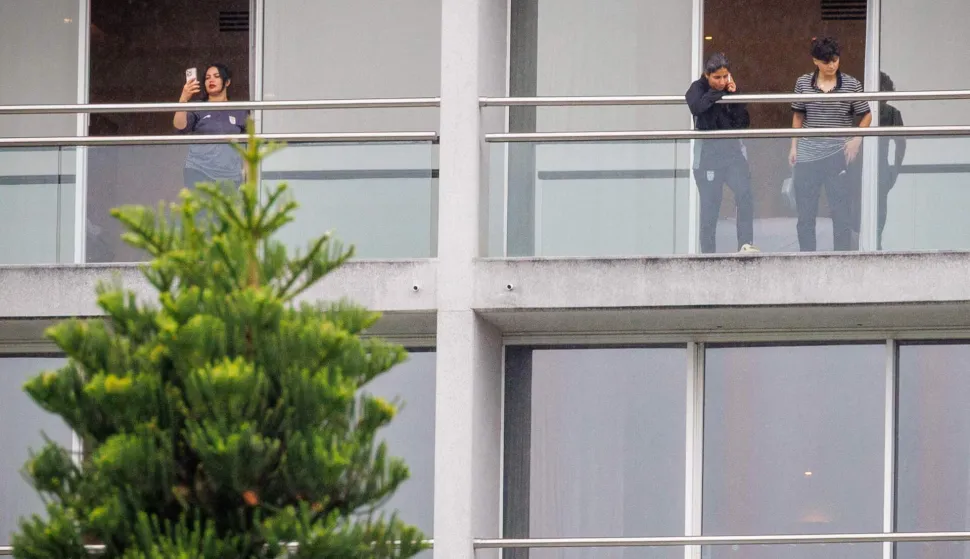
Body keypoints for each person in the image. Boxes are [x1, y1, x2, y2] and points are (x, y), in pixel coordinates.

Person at [789, 36, 872, 251]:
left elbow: (866, 115)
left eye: (835, 60)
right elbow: (798, 116)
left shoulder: (852, 84)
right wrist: (793, 146)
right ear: (815, 61)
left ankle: (841, 262)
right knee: (806, 213)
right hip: (808, 156)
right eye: (826, 62)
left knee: (841, 213)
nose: (832, 65)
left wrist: (856, 139)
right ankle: (807, 259)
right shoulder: (803, 83)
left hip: (837, 155)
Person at [686, 53, 757, 253]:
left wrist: (734, 97)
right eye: (717, 78)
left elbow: (743, 123)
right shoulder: (697, 88)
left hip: (733, 155)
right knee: (710, 208)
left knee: (745, 194)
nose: (722, 81)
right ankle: (708, 255)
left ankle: (746, 244)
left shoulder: (731, 90)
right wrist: (719, 94)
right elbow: (697, 107)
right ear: (706, 75)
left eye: (725, 77)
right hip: (708, 159)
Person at [173, 63, 248, 190]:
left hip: (230, 176)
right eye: (207, 78)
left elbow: (249, 145)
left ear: (227, 82)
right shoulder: (198, 107)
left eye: (216, 76)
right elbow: (180, 126)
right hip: (199, 171)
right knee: (201, 210)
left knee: (226, 210)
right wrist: (184, 98)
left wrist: (247, 174)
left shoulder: (240, 110)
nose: (211, 80)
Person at [876, 71, 907, 250]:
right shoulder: (891, 113)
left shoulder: (892, 113)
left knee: (878, 215)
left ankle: (874, 247)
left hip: (879, 169)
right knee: (877, 216)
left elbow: (901, 143)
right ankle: (873, 247)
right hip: (873, 168)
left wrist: (895, 170)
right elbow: (901, 144)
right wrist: (895, 169)